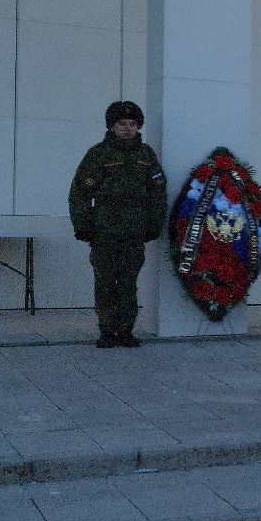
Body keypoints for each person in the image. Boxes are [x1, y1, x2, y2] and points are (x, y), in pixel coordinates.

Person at [68, 101, 167, 348]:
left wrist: (154, 224)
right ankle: (106, 332)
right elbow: (79, 192)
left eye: (133, 124)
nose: (128, 128)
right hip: (104, 231)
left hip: (134, 231)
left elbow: (158, 192)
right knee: (105, 282)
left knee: (128, 282)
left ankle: (125, 331)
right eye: (122, 124)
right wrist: (83, 225)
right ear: (111, 126)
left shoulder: (146, 155)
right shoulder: (98, 154)